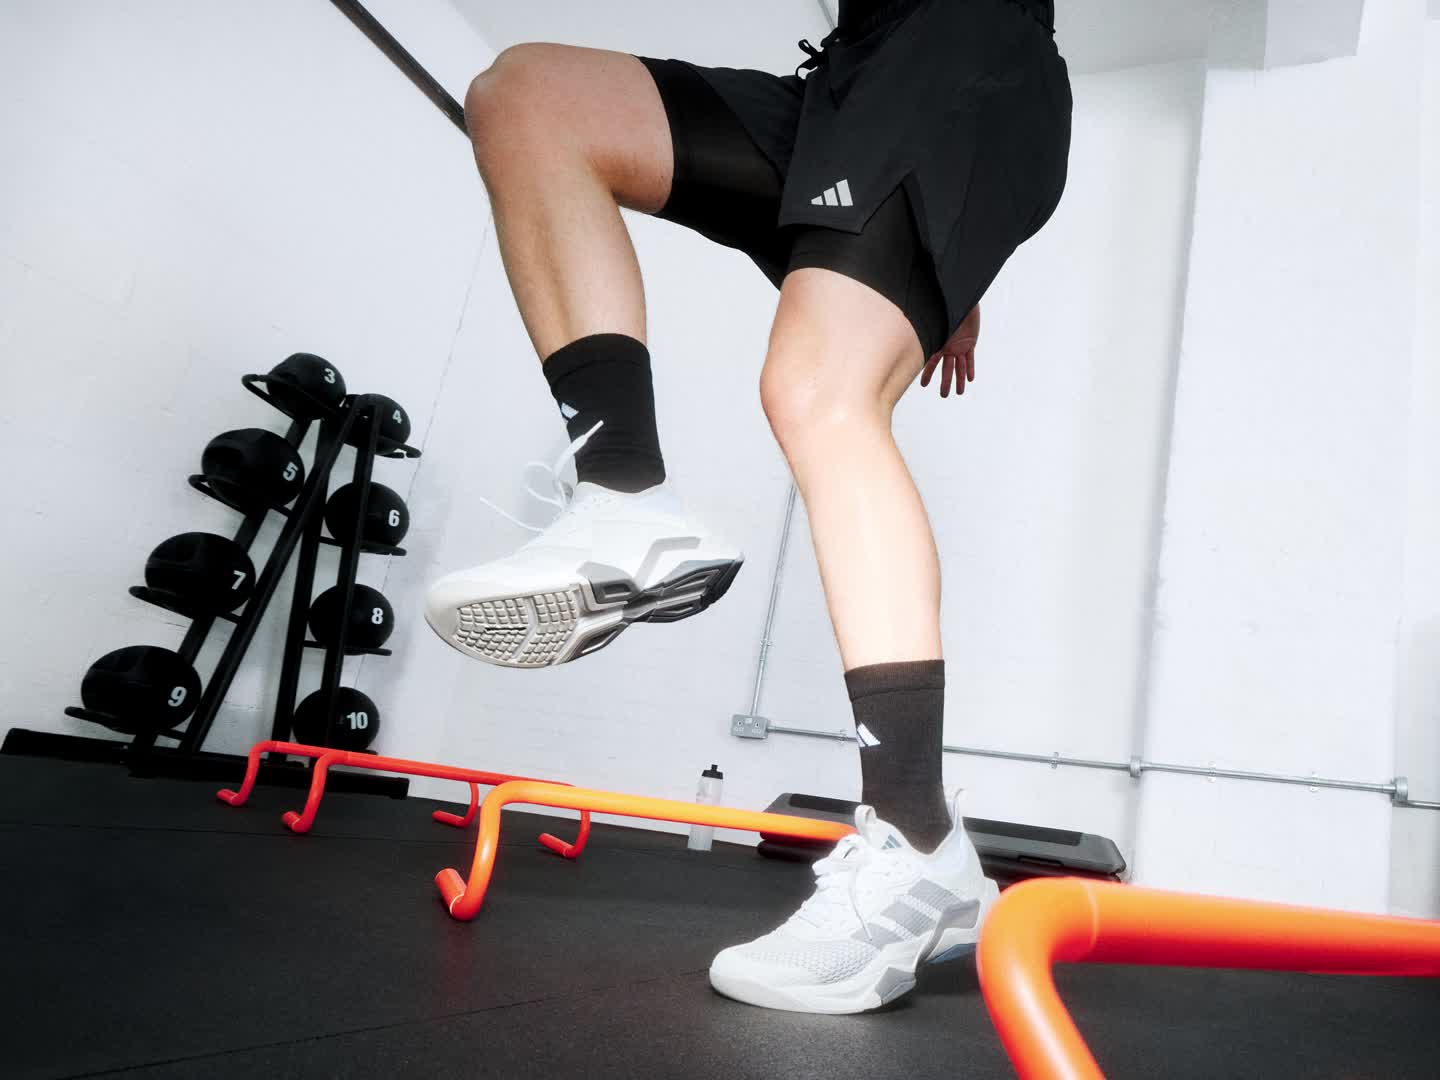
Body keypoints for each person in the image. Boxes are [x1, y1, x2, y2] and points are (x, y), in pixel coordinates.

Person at [425, 0, 1070, 1014]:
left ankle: (917, 843)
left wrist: (959, 194)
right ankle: (621, 500)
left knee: (818, 389)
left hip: (962, 49)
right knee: (528, 97)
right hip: (848, 86)